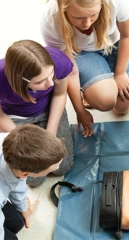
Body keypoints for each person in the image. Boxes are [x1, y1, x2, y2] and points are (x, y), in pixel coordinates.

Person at [41, 0, 129, 138]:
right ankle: (87, 90)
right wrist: (80, 110)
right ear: (64, 8)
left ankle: (93, 83)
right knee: (106, 100)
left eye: (93, 15)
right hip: (82, 52)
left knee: (122, 107)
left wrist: (120, 74)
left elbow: (127, 36)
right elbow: (70, 71)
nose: (87, 23)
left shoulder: (116, 2)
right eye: (78, 17)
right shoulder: (51, 18)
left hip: (114, 46)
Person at [0, 39, 74, 187]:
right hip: (15, 118)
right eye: (40, 82)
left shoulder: (59, 61)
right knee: (35, 178)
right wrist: (25, 138)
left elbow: (59, 94)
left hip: (48, 109)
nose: (50, 84)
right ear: (19, 80)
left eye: (51, 74)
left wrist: (50, 134)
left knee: (63, 167)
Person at [0, 124, 67, 240]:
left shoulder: (10, 141)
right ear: (25, 174)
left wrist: (23, 208)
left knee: (17, 223)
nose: (57, 168)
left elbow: (17, 179)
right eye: (50, 170)